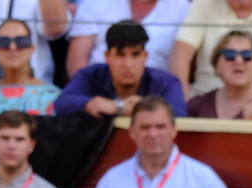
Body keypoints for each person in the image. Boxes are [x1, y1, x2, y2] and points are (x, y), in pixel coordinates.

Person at [83, 95, 237, 188]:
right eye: (145, 127)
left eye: (160, 126)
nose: (153, 134)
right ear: (132, 132)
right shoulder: (111, 180)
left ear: (173, 130)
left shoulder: (205, 181)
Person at [55, 19, 187, 116]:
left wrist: (147, 108)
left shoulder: (166, 82)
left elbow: (180, 114)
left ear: (145, 56)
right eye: (120, 55)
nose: (128, 64)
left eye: (135, 55)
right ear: (107, 56)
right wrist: (90, 104)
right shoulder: (90, 75)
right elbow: (62, 103)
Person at [0, 19, 63, 114]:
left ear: (31, 49)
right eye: (4, 42)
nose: (12, 47)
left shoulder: (55, 97)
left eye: (21, 41)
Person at [186, 30, 252, 118]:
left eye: (247, 55)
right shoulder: (196, 106)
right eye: (229, 55)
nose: (238, 61)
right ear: (216, 65)